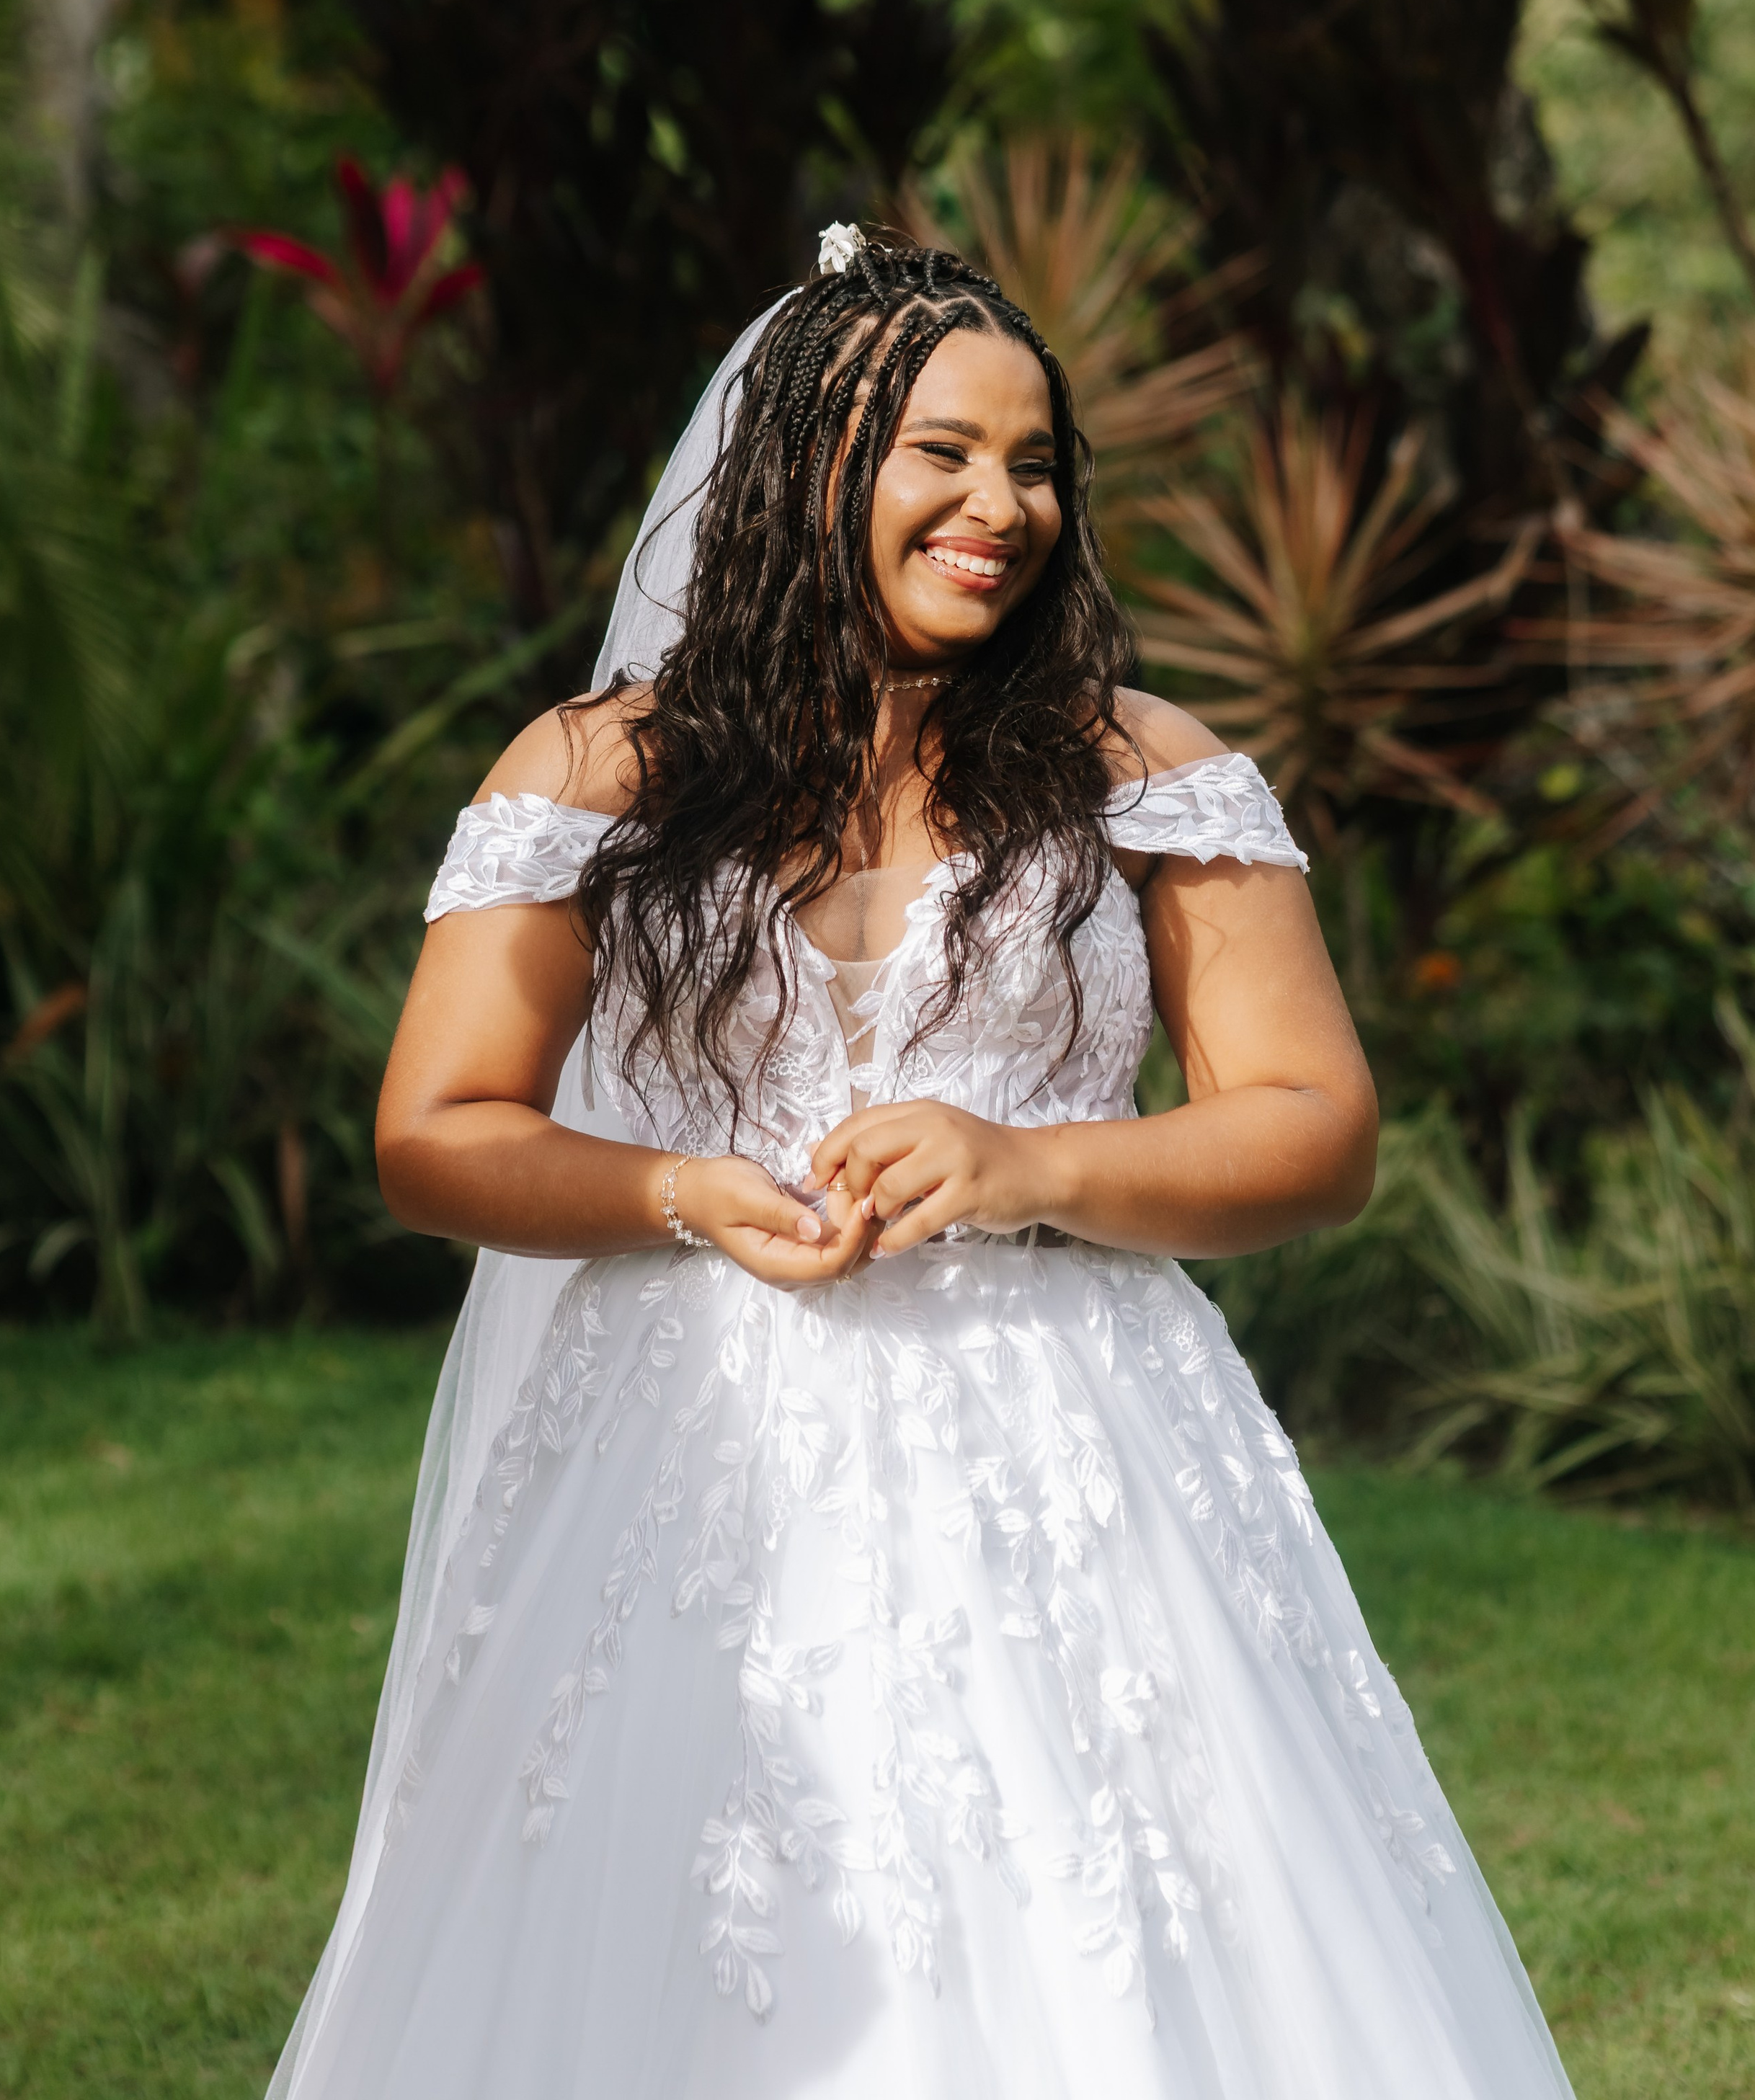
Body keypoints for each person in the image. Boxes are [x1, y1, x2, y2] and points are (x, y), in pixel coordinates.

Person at [267, 229, 1576, 2099]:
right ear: (806, 471)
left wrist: (1027, 1161)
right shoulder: (596, 772)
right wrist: (675, 1192)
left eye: (1034, 464)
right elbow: (437, 1131)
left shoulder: (1142, 770)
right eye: (941, 453)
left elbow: (1315, 1127)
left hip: (1073, 1446)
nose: (1000, 507)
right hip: (689, 1450)